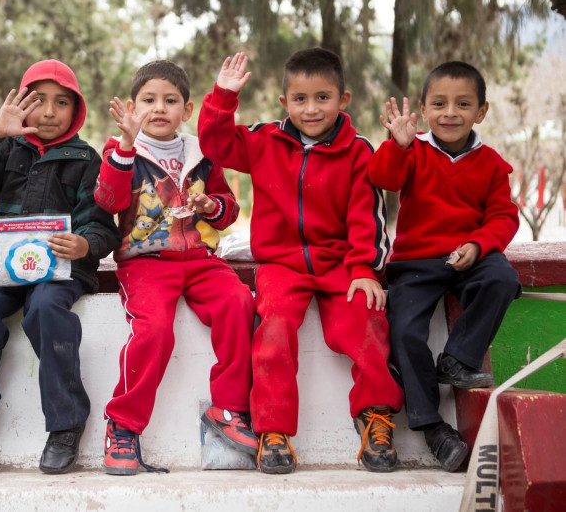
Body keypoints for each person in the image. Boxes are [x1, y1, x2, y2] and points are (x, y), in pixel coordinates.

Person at [197, 49, 405, 475]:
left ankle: (376, 418)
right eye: (300, 99)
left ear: (342, 99)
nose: (311, 109)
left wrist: (365, 270)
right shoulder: (263, 140)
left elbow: (367, 215)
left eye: (323, 97)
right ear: (284, 103)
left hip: (341, 266)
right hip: (281, 266)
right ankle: (274, 433)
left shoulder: (359, 151)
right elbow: (215, 145)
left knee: (367, 322)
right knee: (272, 329)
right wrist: (223, 97)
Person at [0, 59, 120, 476]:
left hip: (60, 270)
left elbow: (101, 226)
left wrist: (84, 244)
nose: (48, 112)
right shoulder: (5, 147)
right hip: (2, 267)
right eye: (38, 101)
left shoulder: (85, 159)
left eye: (62, 103)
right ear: (22, 103)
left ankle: (65, 424)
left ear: (75, 111)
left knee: (45, 310)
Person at [95, 60, 257, 476]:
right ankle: (123, 427)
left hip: (201, 260)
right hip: (147, 264)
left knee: (239, 302)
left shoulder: (202, 153)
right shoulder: (120, 151)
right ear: (133, 107)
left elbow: (228, 209)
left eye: (170, 101)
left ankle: (230, 408)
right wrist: (127, 149)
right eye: (149, 100)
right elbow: (109, 202)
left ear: (187, 110)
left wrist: (212, 205)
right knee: (154, 331)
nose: (159, 108)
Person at [368, 61, 521, 472]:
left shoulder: (491, 163)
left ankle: (457, 359)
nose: (450, 113)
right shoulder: (413, 149)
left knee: (503, 278)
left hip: (468, 258)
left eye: (463, 104)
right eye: (439, 104)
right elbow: (382, 177)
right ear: (423, 107)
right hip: (416, 262)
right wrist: (397, 144)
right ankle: (433, 427)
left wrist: (479, 243)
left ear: (481, 112)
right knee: (403, 328)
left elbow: (505, 217)